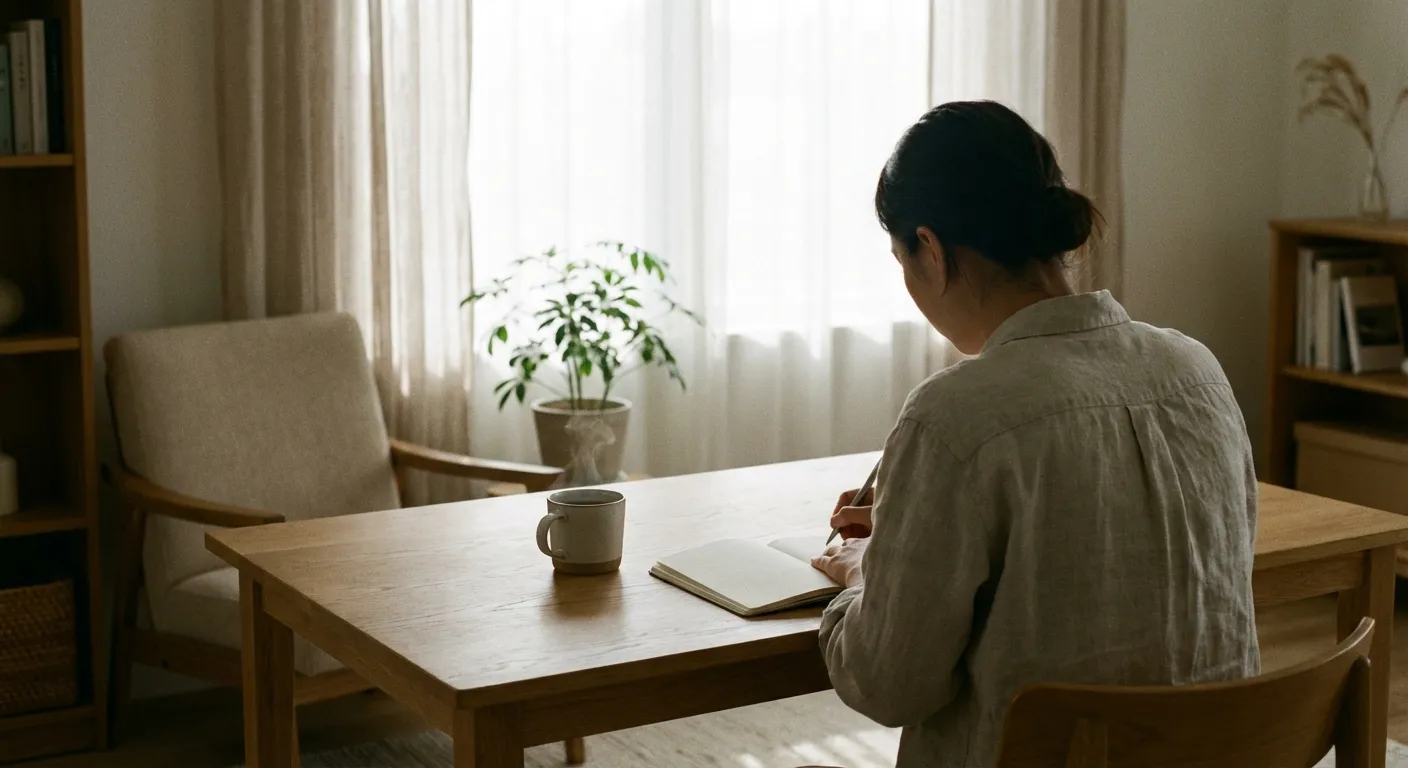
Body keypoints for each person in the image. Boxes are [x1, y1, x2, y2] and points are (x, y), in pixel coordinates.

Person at [809, 101, 1259, 768]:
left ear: (929, 250)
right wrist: (914, 523)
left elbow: (888, 683)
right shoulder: (1195, 369)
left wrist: (864, 571)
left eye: (901, 257)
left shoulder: (954, 414)